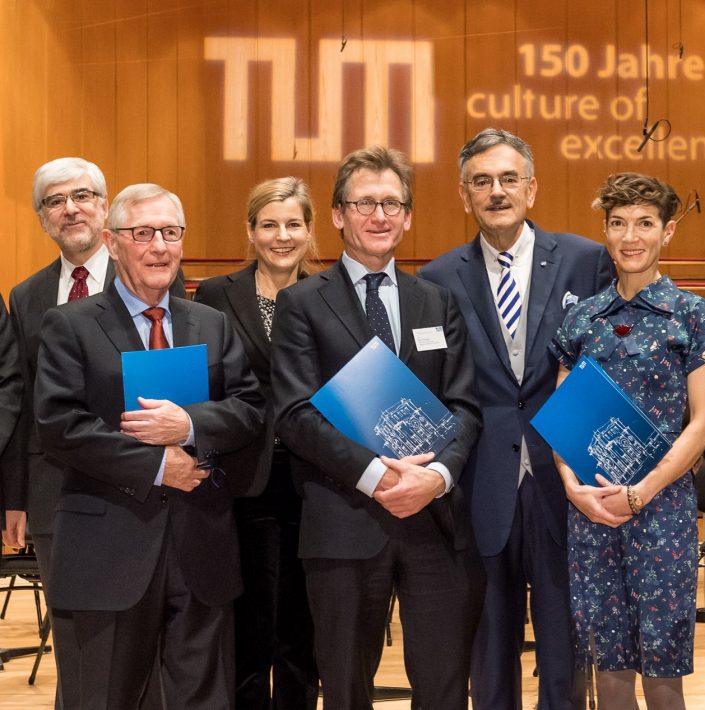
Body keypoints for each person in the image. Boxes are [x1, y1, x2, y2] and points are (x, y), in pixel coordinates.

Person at [34, 183, 264, 707]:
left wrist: (188, 425)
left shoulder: (212, 322)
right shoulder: (70, 325)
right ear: (113, 244)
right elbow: (59, 424)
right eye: (143, 233)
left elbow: (250, 410)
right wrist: (159, 465)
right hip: (108, 550)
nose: (159, 246)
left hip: (200, 546)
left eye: (170, 232)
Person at [271, 145, 484, 710]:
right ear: (338, 215)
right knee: (344, 688)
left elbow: (465, 406)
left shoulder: (437, 302)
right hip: (343, 521)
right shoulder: (302, 304)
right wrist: (375, 476)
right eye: (364, 202)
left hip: (433, 521)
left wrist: (435, 477)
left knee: (443, 686)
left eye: (392, 203)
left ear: (409, 216)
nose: (380, 215)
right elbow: (294, 414)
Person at [420, 128, 613, 710]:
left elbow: (606, 372)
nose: (496, 191)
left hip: (565, 482)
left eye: (509, 179)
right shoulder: (436, 278)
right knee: (488, 649)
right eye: (482, 181)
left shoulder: (587, 261)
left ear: (533, 188)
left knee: (565, 647)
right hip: (480, 483)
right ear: (463, 195)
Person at [2, 157, 184, 709]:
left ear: (106, 210)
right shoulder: (26, 296)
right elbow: (23, 398)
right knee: (82, 652)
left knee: (150, 647)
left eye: (82, 195)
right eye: (55, 201)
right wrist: (13, 499)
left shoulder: (152, 270)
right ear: (41, 219)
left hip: (145, 488)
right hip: (57, 494)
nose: (70, 208)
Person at [550, 172, 705, 710]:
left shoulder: (692, 315)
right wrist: (571, 488)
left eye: (645, 224)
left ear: (667, 231)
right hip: (592, 509)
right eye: (619, 223)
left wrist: (643, 491)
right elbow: (563, 419)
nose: (631, 236)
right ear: (605, 231)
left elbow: (704, 422)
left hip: (663, 510)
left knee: (663, 671)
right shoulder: (582, 319)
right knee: (608, 667)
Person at [194, 177, 320, 710]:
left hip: (316, 479)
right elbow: (208, 383)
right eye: (269, 225)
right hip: (244, 478)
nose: (282, 236)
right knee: (249, 623)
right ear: (250, 232)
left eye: (293, 224)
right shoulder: (218, 294)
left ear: (311, 231)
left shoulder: (327, 295)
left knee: (303, 622)